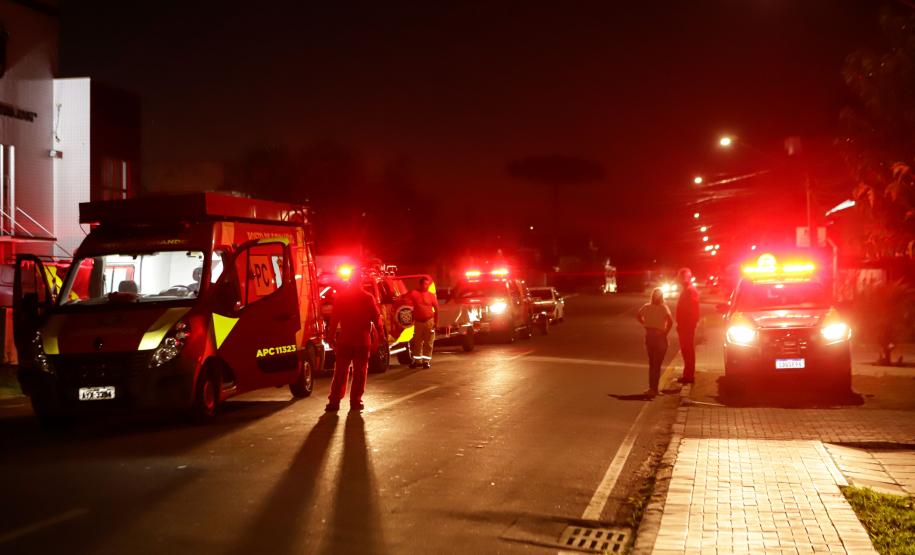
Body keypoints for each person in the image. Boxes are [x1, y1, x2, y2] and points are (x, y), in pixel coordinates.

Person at [325, 274, 384, 412]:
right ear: (361, 282)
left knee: (340, 371)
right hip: (362, 340)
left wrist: (330, 336)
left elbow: (334, 319)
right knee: (360, 372)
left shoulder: (342, 297)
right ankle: (355, 401)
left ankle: (334, 401)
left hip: (345, 339)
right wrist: (381, 335)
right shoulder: (368, 298)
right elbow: (377, 318)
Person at [637, 287, 673, 396]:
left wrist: (645, 324)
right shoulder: (663, 308)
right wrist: (665, 332)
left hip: (649, 336)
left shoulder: (646, 307)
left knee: (652, 363)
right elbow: (670, 321)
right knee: (657, 364)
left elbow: (638, 316)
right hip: (659, 336)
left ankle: (652, 388)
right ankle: (654, 389)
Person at [403, 276, 439, 369]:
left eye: (427, 284)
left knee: (429, 342)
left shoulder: (431, 295)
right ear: (420, 284)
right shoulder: (414, 293)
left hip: (429, 321)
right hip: (418, 322)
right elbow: (404, 300)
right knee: (417, 342)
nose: (425, 286)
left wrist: (436, 322)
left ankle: (426, 362)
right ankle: (417, 361)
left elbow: (436, 309)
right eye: (424, 284)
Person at [676, 267, 700, 384]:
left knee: (688, 351)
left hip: (687, 327)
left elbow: (692, 311)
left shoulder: (690, 291)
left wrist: (689, 325)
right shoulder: (687, 290)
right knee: (686, 351)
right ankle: (687, 375)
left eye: (681, 277)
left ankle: (689, 376)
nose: (679, 279)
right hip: (685, 326)